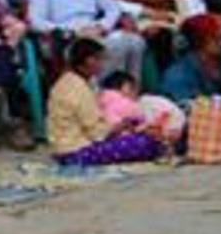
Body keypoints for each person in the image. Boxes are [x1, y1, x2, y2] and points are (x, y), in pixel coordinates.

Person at [44, 37, 166, 165]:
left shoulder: (67, 82)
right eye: (99, 59)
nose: (102, 64)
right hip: (75, 151)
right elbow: (96, 133)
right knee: (146, 142)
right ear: (89, 60)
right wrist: (118, 128)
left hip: (64, 148)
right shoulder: (78, 88)